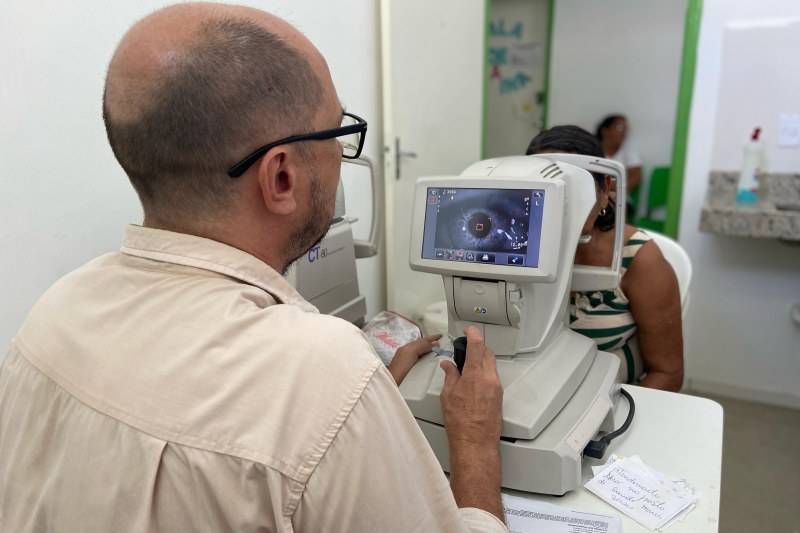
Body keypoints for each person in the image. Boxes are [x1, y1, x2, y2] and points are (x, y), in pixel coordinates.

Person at [0, 4, 507, 532]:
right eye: (336, 132)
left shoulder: (55, 311)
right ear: (281, 176)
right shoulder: (322, 378)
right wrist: (474, 444)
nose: (341, 154)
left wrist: (362, 412)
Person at [526, 125, 684, 392]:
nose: (562, 203)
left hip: (615, 400)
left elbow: (668, 372)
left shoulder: (640, 260)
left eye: (574, 188)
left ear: (604, 189)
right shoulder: (517, 246)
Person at [596, 114, 642, 219]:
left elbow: (636, 178)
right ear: (605, 130)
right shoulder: (592, 150)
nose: (624, 132)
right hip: (596, 196)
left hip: (620, 199)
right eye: (620, 128)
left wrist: (611, 187)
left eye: (626, 129)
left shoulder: (629, 153)